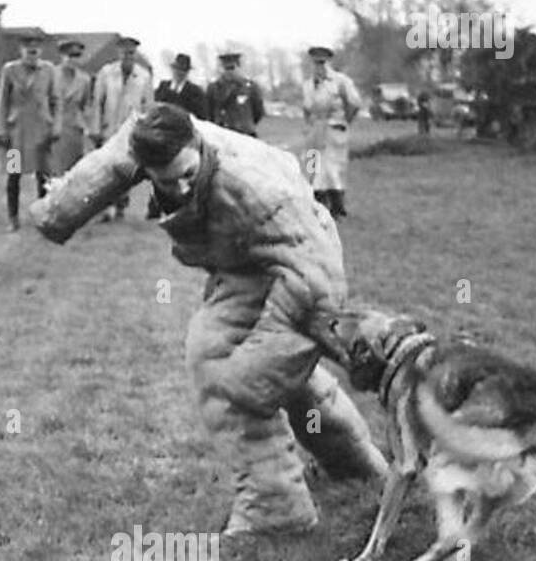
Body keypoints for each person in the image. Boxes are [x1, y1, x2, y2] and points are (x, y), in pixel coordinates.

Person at [33, 103, 388, 535]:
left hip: (301, 272)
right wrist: (55, 213)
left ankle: (275, 507)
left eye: (189, 174)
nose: (181, 188)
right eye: (167, 182)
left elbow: (317, 280)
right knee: (283, 379)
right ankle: (355, 466)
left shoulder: (255, 190)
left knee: (230, 375)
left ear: (197, 144)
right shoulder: (150, 135)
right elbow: (106, 168)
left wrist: (263, 363)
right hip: (247, 263)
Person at [0, 31, 61, 233]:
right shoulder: (10, 70)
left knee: (44, 176)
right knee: (13, 175)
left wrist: (56, 127)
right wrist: (1, 129)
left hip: (42, 133)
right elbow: (2, 102)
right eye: (27, 47)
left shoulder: (49, 70)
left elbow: (56, 101)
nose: (32, 51)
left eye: (36, 47)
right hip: (16, 134)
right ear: (21, 49)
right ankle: (13, 218)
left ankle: (43, 217)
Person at [91, 34, 153, 219]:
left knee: (126, 170)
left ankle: (121, 206)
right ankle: (106, 207)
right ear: (118, 53)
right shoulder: (106, 73)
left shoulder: (143, 75)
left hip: (130, 130)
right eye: (124, 52)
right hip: (109, 128)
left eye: (131, 53)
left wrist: (145, 131)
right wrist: (95, 128)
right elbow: (97, 102)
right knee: (107, 169)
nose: (128, 56)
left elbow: (148, 106)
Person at [301, 45, 362, 219]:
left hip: (334, 128)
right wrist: (309, 125)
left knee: (333, 169)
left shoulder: (341, 81)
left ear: (328, 63)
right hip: (315, 129)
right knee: (312, 167)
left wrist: (344, 121)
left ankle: (337, 208)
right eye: (316, 63)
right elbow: (306, 108)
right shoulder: (307, 85)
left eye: (322, 63)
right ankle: (316, 204)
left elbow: (355, 103)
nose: (319, 67)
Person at [146, 53, 207, 219]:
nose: (179, 73)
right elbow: (155, 109)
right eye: (176, 70)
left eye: (182, 71)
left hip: (185, 139)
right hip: (163, 137)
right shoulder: (164, 88)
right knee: (159, 174)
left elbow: (202, 116)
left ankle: (183, 207)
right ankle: (156, 207)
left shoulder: (195, 92)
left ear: (187, 73)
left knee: (184, 174)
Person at [52, 39, 93, 174]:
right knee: (54, 171)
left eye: (77, 56)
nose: (72, 60)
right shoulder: (50, 75)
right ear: (62, 56)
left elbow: (85, 105)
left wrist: (87, 128)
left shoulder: (84, 79)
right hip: (54, 129)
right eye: (69, 56)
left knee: (74, 172)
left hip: (75, 130)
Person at [207, 50, 264, 137]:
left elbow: (258, 111)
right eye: (226, 68)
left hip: (245, 134)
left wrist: (247, 123)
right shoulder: (214, 88)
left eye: (232, 68)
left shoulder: (250, 87)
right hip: (222, 134)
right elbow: (209, 111)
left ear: (238, 67)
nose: (229, 72)